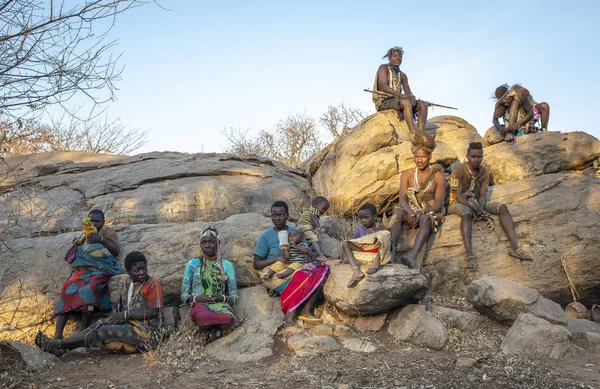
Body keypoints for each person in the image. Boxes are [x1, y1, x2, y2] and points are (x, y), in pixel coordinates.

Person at [35, 251, 164, 356]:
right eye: (137, 270)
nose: (142, 272)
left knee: (103, 331)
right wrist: (114, 318)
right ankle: (62, 348)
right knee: (99, 324)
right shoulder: (127, 283)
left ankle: (57, 344)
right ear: (129, 272)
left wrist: (125, 315)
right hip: (128, 324)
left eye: (144, 268)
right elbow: (120, 307)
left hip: (146, 333)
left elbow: (153, 312)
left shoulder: (153, 284)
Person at [448, 142, 533, 271]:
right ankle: (470, 255)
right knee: (467, 213)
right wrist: (474, 208)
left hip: (476, 201)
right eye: (473, 156)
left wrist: (481, 207)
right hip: (458, 203)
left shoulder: (484, 172)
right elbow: (458, 196)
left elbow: (483, 194)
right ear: (467, 156)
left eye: (479, 157)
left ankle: (516, 248)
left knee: (502, 207)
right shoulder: (458, 171)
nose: (476, 160)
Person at [254, 201, 329, 325]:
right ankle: (290, 313)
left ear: (287, 215)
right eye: (274, 215)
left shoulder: (296, 232)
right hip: (274, 271)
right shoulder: (265, 236)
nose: (278, 218)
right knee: (303, 276)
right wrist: (275, 259)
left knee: (322, 270)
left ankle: (306, 310)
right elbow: (256, 264)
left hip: (294, 266)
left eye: (281, 215)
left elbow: (306, 252)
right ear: (271, 216)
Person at [53, 209, 122, 339]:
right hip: (83, 271)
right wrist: (78, 243)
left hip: (101, 269)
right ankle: (57, 336)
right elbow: (68, 256)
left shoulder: (107, 232)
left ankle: (82, 334)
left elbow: (115, 251)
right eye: (91, 221)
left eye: (98, 221)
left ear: (103, 222)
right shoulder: (84, 234)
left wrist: (101, 240)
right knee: (67, 289)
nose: (94, 224)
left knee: (89, 291)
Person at [390, 142, 446, 269]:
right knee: (397, 213)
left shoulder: (438, 176)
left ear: (430, 157)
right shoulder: (407, 174)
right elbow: (402, 199)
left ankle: (412, 258)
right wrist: (410, 212)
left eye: (423, 157)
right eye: (416, 157)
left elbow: (438, 205)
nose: (419, 160)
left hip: (430, 212)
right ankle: (392, 255)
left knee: (425, 219)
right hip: (412, 210)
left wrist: (423, 212)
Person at [181, 227, 238, 339]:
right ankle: (209, 331)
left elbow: (233, 296)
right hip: (199, 304)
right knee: (203, 317)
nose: (207, 246)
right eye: (204, 242)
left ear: (218, 243)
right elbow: (183, 295)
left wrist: (221, 298)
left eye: (211, 242)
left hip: (220, 304)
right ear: (200, 245)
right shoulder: (193, 264)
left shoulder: (227, 266)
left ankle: (212, 332)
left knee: (228, 319)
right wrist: (197, 299)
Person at [372, 46, 429, 134]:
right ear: (389, 57)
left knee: (423, 104)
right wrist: (402, 96)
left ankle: (420, 132)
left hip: (398, 101)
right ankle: (413, 133)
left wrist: (412, 97)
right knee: (406, 102)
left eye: (400, 56)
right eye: (395, 56)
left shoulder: (402, 75)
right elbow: (384, 86)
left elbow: (408, 93)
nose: (398, 58)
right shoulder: (383, 68)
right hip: (384, 101)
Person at [341, 203, 392, 288]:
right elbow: (354, 242)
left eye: (366, 217)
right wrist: (348, 258)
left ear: (375, 217)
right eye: (361, 218)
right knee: (345, 243)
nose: (363, 220)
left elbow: (390, 246)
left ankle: (375, 264)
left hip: (378, 256)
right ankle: (356, 271)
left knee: (386, 234)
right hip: (365, 254)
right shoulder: (360, 228)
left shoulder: (381, 227)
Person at [296, 196, 330, 261]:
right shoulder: (315, 210)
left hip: (299, 227)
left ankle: (315, 254)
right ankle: (320, 255)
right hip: (304, 225)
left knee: (307, 242)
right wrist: (319, 228)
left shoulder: (310, 210)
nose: (323, 211)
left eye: (325, 210)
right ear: (315, 205)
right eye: (323, 209)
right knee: (313, 238)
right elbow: (315, 218)